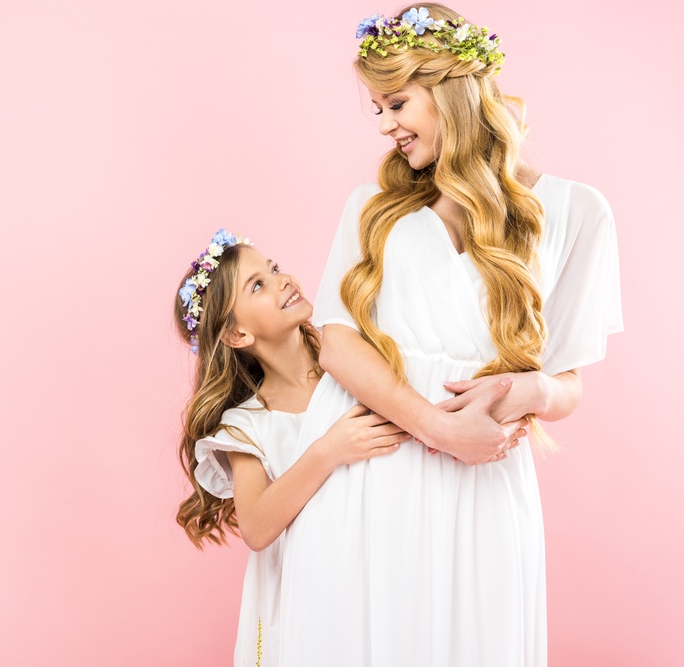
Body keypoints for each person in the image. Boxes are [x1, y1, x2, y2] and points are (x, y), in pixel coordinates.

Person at [277, 5, 623, 666]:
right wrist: (436, 429)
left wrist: (534, 388)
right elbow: (337, 342)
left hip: (485, 481)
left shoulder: (577, 211)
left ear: (451, 89)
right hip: (370, 474)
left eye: (396, 103)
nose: (385, 126)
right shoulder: (371, 207)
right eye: (376, 108)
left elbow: (569, 380)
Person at [173, 229, 419, 666]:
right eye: (258, 285)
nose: (282, 279)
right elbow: (257, 526)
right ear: (236, 335)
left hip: (378, 569)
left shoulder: (350, 366)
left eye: (273, 268)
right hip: (311, 597)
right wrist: (329, 450)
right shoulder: (248, 424)